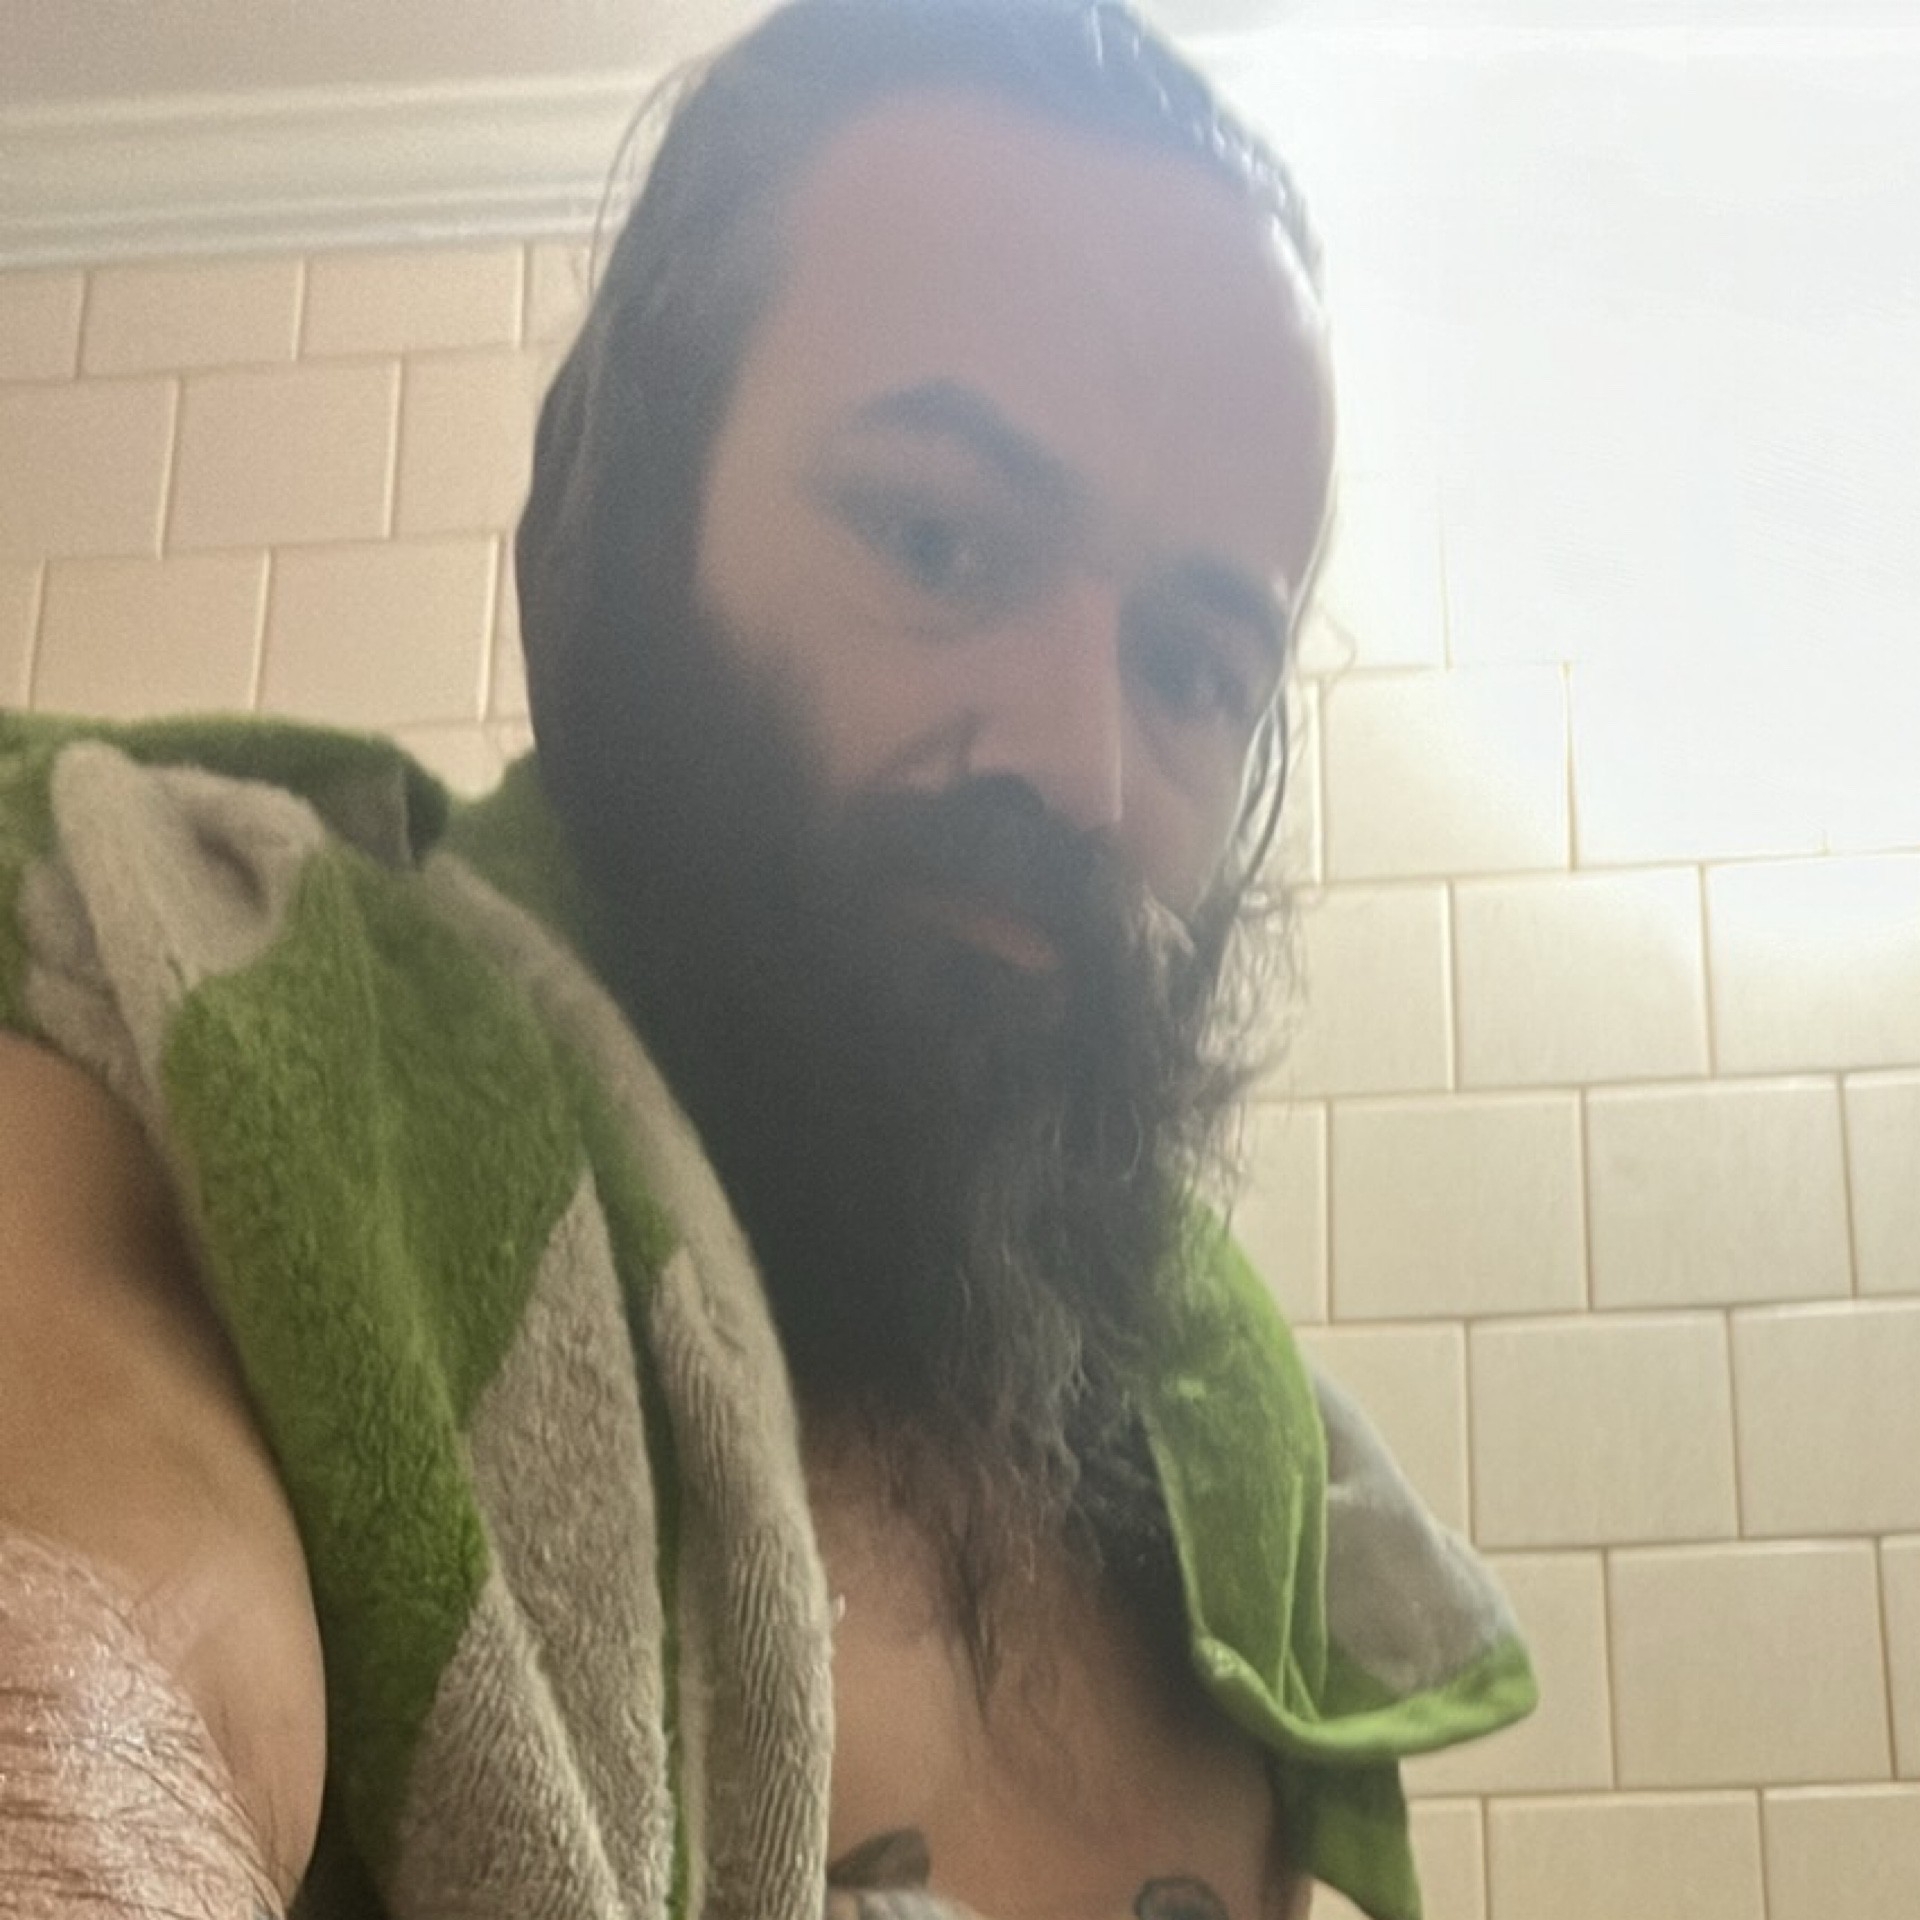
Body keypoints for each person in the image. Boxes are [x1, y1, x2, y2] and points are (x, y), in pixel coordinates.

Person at [0, 2, 1534, 1916]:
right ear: (614, 523)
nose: (1083, 762)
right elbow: (94, 1635)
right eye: (939, 542)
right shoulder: (221, 1073)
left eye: (1195, 666)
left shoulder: (1220, 1475)